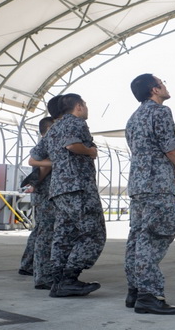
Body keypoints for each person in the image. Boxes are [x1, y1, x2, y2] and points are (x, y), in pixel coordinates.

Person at [29, 93, 106, 297]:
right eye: (85, 104)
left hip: (58, 190)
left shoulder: (53, 129)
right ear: (78, 106)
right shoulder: (76, 122)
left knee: (63, 235)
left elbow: (34, 157)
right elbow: (72, 145)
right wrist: (89, 151)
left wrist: (59, 162)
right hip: (78, 188)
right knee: (94, 233)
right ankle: (70, 277)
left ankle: (57, 281)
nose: (86, 108)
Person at [124, 74, 175, 315]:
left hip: (138, 185)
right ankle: (149, 295)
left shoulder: (133, 118)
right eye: (162, 82)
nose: (166, 86)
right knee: (155, 235)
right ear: (154, 89)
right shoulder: (161, 111)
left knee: (137, 237)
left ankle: (135, 291)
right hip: (157, 184)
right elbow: (169, 147)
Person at [18, 115, 55, 289]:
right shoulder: (49, 144)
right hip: (46, 194)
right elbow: (44, 168)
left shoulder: (43, 144)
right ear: (48, 129)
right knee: (46, 233)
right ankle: (42, 274)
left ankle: (28, 265)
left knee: (40, 231)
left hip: (42, 194)